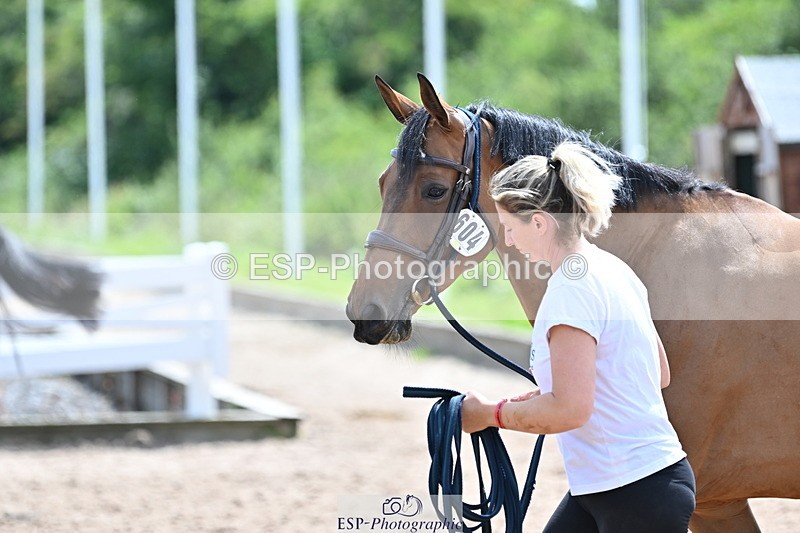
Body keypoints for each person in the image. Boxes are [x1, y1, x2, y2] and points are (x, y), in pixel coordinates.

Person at [460, 141, 696, 532]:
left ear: (538, 222)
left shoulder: (571, 289)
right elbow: (656, 373)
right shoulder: (612, 269)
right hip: (622, 485)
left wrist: (490, 414)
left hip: (634, 491)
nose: (511, 242)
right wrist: (546, 393)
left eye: (510, 229)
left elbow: (570, 410)